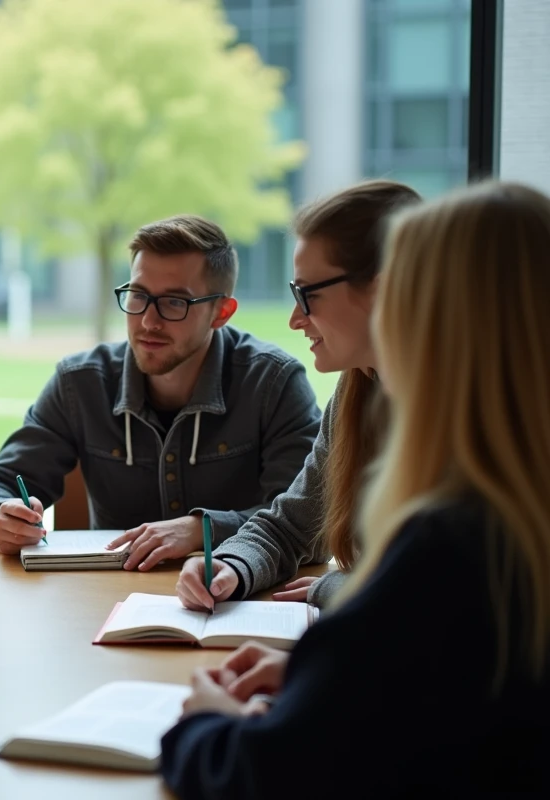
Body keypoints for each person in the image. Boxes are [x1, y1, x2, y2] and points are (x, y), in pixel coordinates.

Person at [161, 181, 550, 797]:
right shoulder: (511, 511)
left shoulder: (451, 540)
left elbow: (260, 773)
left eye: (410, 294)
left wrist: (206, 718)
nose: (294, 318)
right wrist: (333, 668)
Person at [0, 215, 321, 565]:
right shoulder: (80, 383)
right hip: (107, 602)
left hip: (235, 603)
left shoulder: (274, 382)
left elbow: (306, 520)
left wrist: (201, 530)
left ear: (221, 312)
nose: (148, 321)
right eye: (137, 295)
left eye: (175, 302)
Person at [175, 180, 421, 611]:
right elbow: (290, 526)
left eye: (307, 294)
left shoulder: (466, 414)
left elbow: (425, 589)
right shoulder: (358, 389)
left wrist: (329, 588)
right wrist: (230, 566)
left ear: (382, 291)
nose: (293, 319)